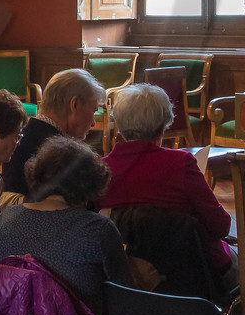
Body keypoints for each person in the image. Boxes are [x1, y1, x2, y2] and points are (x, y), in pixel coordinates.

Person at [100, 83, 236, 291]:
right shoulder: (181, 163)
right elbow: (220, 226)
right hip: (194, 276)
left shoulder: (101, 170)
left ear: (118, 122)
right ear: (164, 123)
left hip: (125, 281)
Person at [0, 136, 132, 315]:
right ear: (90, 184)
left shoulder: (7, 217)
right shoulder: (99, 229)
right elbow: (125, 294)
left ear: (38, 176)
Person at [3, 69, 106, 196]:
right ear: (75, 105)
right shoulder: (63, 154)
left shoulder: (22, 135)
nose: (93, 123)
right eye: (93, 111)